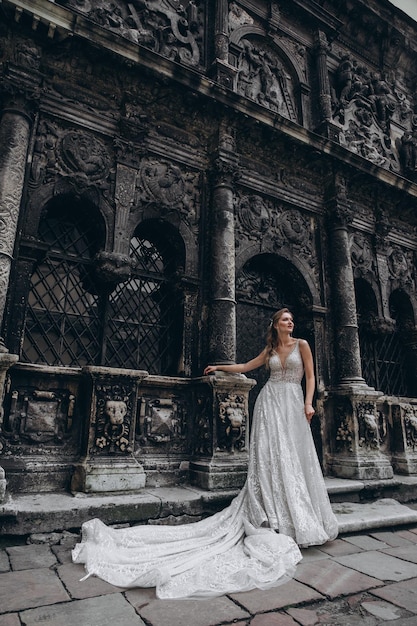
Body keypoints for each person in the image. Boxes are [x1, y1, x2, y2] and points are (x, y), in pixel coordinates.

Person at [72, 308, 338, 599]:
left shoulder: (302, 345)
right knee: (272, 456)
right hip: (270, 402)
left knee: (294, 457)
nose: (291, 322)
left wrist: (309, 403)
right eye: (285, 319)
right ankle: (276, 512)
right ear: (275, 325)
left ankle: (299, 514)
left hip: (292, 401)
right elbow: (248, 366)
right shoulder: (271, 348)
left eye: (291, 319)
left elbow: (310, 377)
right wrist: (221, 368)